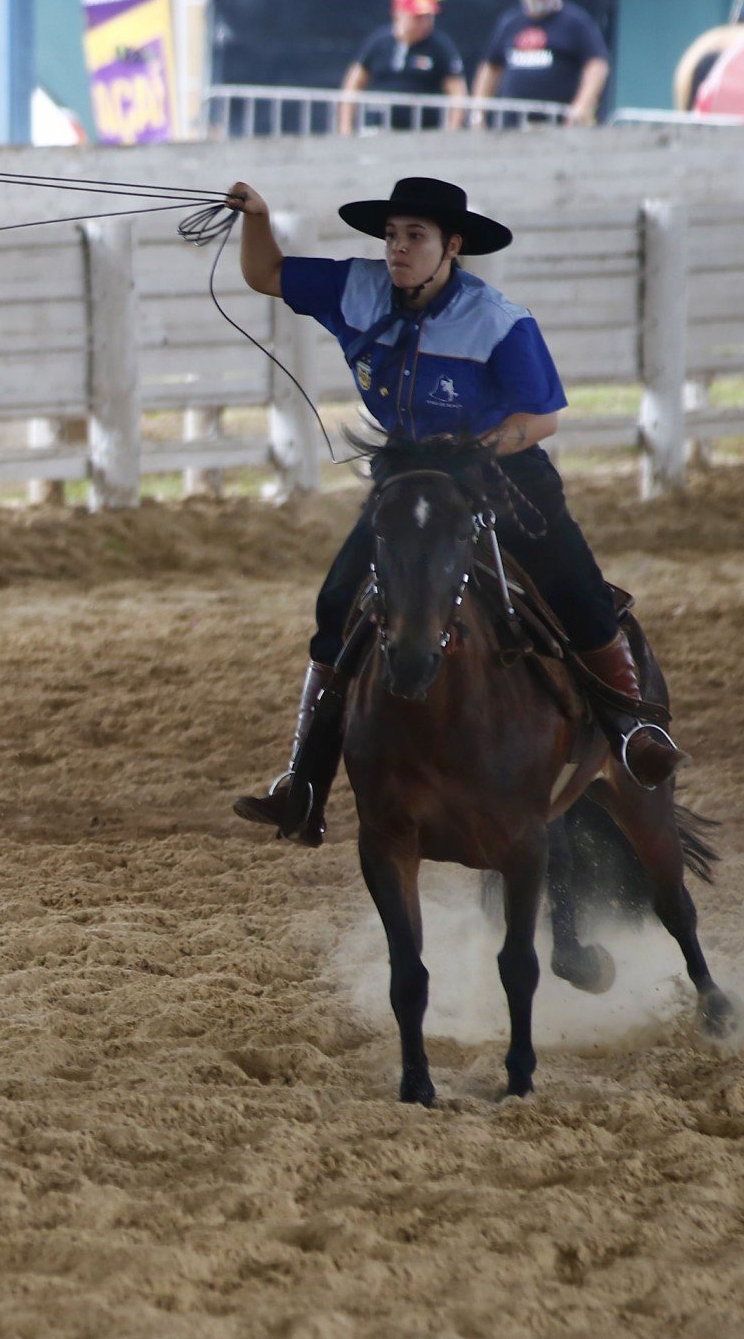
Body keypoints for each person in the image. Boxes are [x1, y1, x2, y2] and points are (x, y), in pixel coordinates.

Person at [222, 175, 686, 847]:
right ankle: (305, 780)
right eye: (391, 235)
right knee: (336, 604)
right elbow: (264, 272)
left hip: (503, 471)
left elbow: (542, 419)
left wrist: (482, 447)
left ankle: (632, 729)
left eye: (415, 236)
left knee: (576, 589)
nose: (397, 249)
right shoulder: (356, 290)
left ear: (452, 246)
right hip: (409, 478)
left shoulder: (497, 319)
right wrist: (257, 217)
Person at [472, 0, 609, 126]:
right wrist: (478, 113)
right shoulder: (510, 23)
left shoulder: (576, 22)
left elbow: (597, 65)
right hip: (513, 129)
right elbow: (491, 67)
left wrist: (582, 107)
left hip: (560, 126)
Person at [338, 0, 467, 134]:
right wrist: (345, 128)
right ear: (398, 14)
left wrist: (452, 131)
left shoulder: (439, 46)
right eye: (417, 17)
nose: (424, 23)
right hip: (379, 130)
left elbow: (457, 92)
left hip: (423, 133)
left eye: (428, 17)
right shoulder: (379, 42)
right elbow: (353, 84)